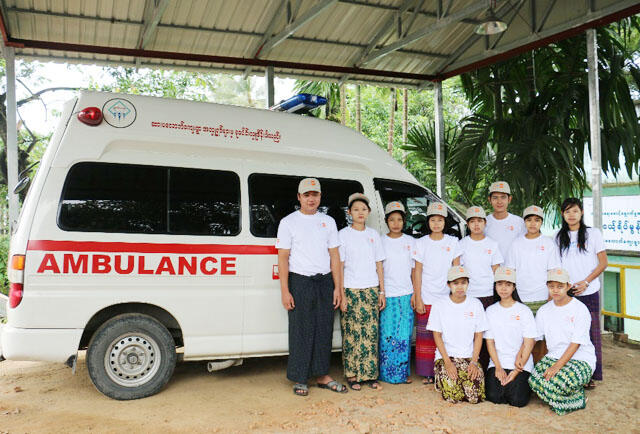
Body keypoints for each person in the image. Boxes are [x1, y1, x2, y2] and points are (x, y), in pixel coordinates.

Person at [276, 177, 347, 396]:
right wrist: (285, 290)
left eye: (314, 195)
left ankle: (323, 375)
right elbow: (283, 258)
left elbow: (334, 256)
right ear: (299, 197)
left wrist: (338, 288)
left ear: (320, 197)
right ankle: (300, 377)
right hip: (300, 281)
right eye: (306, 195)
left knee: (324, 328)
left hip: (324, 281)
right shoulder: (288, 222)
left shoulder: (328, 222)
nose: (311, 199)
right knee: (301, 330)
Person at [528, 268, 596, 415]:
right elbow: (535, 338)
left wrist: (557, 367)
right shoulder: (544, 310)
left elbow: (576, 343)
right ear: (547, 287)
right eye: (551, 286)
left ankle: (572, 399)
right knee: (533, 380)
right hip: (553, 356)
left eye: (560, 286)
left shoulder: (579, 309)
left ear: (568, 286)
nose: (555, 290)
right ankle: (573, 398)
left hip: (580, 358)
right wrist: (521, 356)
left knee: (559, 383)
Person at [555, 198, 607, 387]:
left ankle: (592, 374)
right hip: (567, 292)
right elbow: (557, 265)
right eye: (567, 211)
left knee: (591, 333)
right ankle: (570, 370)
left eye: (575, 211)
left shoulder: (593, 234)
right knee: (569, 334)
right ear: (562, 214)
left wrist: (586, 282)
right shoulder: (558, 237)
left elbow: (603, 263)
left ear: (582, 212)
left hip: (589, 290)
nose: (571, 215)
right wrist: (564, 286)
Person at [339, 193, 386, 390]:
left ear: (368, 212)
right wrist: (340, 294)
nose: (360, 213)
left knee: (370, 333)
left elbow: (379, 264)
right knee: (351, 333)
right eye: (356, 209)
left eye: (363, 209)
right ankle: (352, 375)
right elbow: (339, 266)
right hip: (350, 289)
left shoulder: (373, 235)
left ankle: (369, 375)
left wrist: (382, 292)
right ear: (349, 212)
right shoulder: (342, 235)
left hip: (371, 289)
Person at [413, 201, 461, 385]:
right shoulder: (421, 243)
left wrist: (456, 296)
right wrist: (418, 296)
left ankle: (446, 369)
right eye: (433, 219)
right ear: (428, 222)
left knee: (446, 335)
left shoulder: (453, 242)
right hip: (427, 295)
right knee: (426, 336)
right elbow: (417, 271)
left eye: (440, 220)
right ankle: (427, 373)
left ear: (445, 222)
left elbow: (457, 270)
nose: (436, 223)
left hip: (446, 297)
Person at [506, 205, 561, 362]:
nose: (532, 223)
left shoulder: (549, 244)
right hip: (521, 297)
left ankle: (539, 370)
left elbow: (554, 272)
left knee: (541, 337)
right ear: (524, 222)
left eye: (537, 220)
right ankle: (521, 370)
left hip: (543, 297)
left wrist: (551, 298)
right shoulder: (516, 244)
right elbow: (510, 271)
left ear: (541, 222)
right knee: (521, 336)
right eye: (529, 220)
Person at [427, 265, 487, 404]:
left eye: (463, 283)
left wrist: (474, 361)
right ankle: (440, 380)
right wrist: (447, 363)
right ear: (448, 284)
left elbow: (479, 335)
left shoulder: (475, 304)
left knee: (475, 397)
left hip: (468, 357)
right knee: (453, 395)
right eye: (455, 283)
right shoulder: (439, 305)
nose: (460, 287)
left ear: (468, 284)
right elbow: (437, 335)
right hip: (447, 356)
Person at [484, 266, 537, 407]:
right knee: (493, 396)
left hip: (520, 363)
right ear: (495, 286)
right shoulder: (490, 311)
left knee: (518, 400)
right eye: (500, 284)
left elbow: (529, 342)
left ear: (514, 287)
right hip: (498, 362)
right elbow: (490, 342)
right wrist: (498, 367)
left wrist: (517, 370)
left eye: (508, 285)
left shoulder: (524, 311)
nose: (504, 288)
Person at [379, 201, 415, 384]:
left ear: (404, 221)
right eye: (392, 219)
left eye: (399, 219)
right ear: (386, 221)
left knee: (403, 336)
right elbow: (378, 269)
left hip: (406, 295)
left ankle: (401, 374)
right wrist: (381, 292)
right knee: (387, 335)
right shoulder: (380, 241)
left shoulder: (411, 242)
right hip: (388, 295)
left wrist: (416, 293)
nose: (395, 223)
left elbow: (415, 270)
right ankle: (386, 374)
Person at [485, 181, 526, 258]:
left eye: (503, 197)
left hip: (513, 268)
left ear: (509, 199)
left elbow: (525, 247)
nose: (499, 202)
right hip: (489, 269)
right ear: (489, 200)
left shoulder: (519, 222)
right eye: (495, 198)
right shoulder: (484, 223)